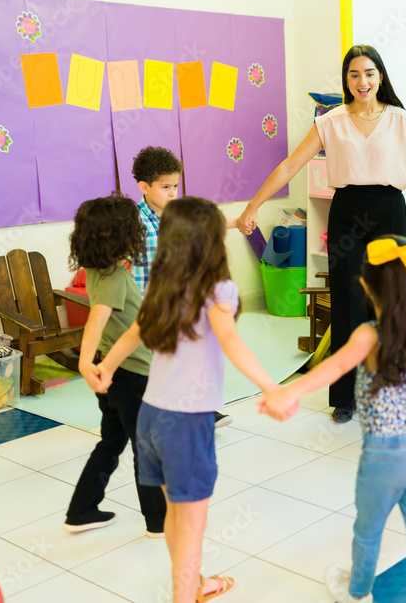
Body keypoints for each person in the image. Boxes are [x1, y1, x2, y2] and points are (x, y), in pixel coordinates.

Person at [258, 236, 406, 603]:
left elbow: (333, 367)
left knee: (368, 531)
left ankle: (357, 592)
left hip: (383, 458)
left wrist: (288, 392)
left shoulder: (367, 335)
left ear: (364, 285)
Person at [237, 45, 406, 424]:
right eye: (354, 74)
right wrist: (252, 206)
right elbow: (291, 164)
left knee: (389, 304)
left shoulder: (400, 119)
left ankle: (389, 388)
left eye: (369, 73)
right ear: (346, 80)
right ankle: (345, 397)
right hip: (347, 212)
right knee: (347, 302)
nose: (363, 81)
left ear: (381, 77)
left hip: (389, 210)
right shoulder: (331, 121)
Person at [93, 197, 278, 603]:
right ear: (214, 240)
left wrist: (105, 366)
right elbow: (228, 338)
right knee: (192, 524)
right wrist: (272, 386)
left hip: (151, 418)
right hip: (187, 422)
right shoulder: (219, 288)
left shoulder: (162, 284)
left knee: (175, 515)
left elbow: (132, 334)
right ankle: (186, 593)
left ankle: (194, 585)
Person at [62, 195, 166, 538]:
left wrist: (93, 363)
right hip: (130, 375)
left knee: (111, 441)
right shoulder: (115, 278)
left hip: (113, 374)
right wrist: (90, 362)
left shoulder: (96, 269)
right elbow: (99, 317)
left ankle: (81, 511)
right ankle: (158, 522)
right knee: (145, 448)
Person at [131, 145, 233, 430]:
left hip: (178, 301)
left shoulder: (176, 216)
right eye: (165, 187)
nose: (173, 192)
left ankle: (198, 412)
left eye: (175, 185)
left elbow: (205, 227)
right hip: (147, 303)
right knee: (159, 367)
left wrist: (238, 223)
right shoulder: (135, 222)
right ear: (144, 186)